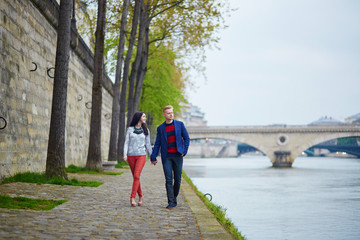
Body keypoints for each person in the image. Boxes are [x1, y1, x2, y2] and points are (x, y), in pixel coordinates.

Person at [150, 105, 190, 209]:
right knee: (168, 180)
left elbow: (187, 139)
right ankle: (171, 201)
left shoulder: (180, 125)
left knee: (178, 180)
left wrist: (184, 151)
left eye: (172, 112)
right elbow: (157, 144)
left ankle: (174, 197)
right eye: (168, 113)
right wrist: (153, 157)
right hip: (167, 157)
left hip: (178, 155)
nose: (171, 114)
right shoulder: (160, 128)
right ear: (164, 114)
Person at [124, 111, 153, 207]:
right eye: (143, 116)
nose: (145, 118)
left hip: (141, 155)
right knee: (136, 177)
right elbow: (126, 143)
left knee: (136, 175)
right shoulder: (130, 129)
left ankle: (132, 198)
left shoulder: (146, 131)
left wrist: (152, 156)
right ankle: (141, 196)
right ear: (138, 117)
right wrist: (125, 154)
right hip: (131, 156)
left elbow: (148, 144)